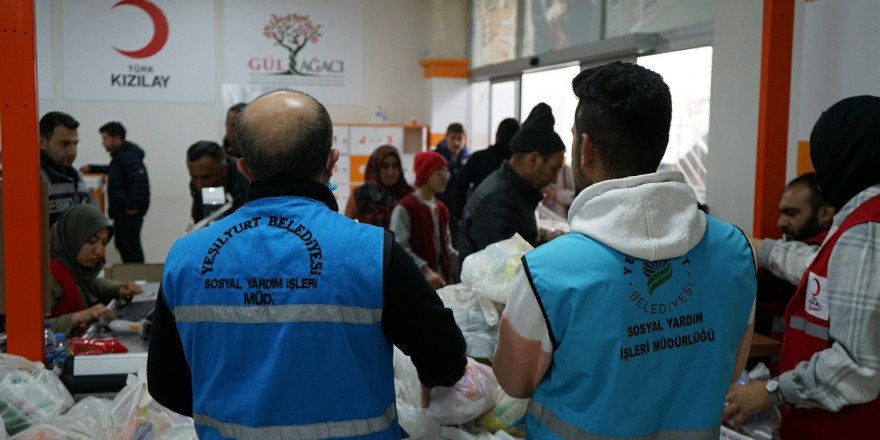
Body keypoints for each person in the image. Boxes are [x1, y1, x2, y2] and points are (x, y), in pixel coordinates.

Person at [147, 90, 467, 439]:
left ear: (244, 168)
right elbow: (446, 360)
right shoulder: (374, 252)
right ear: (332, 162)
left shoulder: (186, 257)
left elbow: (166, 385)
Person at [493, 62, 756, 439]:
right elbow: (729, 369)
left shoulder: (548, 270)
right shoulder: (735, 252)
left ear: (585, 148)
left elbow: (515, 382)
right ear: (661, 142)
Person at [724, 96, 880, 439]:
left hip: (844, 427)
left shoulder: (867, 228)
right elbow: (822, 270)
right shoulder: (861, 218)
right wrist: (759, 247)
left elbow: (858, 366)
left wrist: (771, 391)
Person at [458, 103, 565, 265]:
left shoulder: (516, 191)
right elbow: (505, 268)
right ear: (533, 160)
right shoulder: (499, 199)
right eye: (554, 169)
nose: (554, 179)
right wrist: (554, 247)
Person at [755, 172, 833, 341]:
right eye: (782, 213)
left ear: (825, 213)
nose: (781, 222)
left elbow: (763, 282)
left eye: (791, 213)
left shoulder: (823, 252)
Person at [46, 205, 142, 336]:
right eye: (92, 241)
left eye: (103, 242)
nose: (99, 251)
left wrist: (119, 289)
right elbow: (30, 330)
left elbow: (92, 283)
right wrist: (79, 317)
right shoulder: (47, 277)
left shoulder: (75, 266)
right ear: (72, 237)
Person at [82, 122, 150, 263]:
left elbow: (140, 182)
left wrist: (131, 206)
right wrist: (93, 168)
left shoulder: (129, 156)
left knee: (131, 247)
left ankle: (138, 278)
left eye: (105, 138)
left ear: (117, 138)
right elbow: (115, 171)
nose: (103, 143)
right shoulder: (121, 157)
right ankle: (132, 277)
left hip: (128, 212)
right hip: (122, 211)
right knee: (123, 245)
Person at [389, 151, 455, 289]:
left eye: (446, 172)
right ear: (426, 172)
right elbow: (399, 248)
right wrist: (424, 270)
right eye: (439, 172)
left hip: (440, 284)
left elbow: (447, 247)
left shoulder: (442, 209)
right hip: (414, 284)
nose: (445, 178)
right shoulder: (405, 208)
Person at [452, 118, 520, 220]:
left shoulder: (478, 157)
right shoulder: (518, 163)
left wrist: (459, 214)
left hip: (479, 215)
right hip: (510, 218)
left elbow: (460, 184)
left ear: (497, 135)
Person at [39, 111, 91, 226]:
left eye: (75, 144)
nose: (73, 152)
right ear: (42, 143)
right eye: (64, 144)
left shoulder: (77, 178)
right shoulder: (34, 180)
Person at [344, 144, 413, 228]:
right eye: (385, 166)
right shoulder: (360, 196)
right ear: (375, 168)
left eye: (395, 166)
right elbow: (348, 229)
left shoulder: (409, 193)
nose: (390, 172)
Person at [186, 140, 249, 223]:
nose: (199, 185)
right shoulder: (201, 181)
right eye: (193, 177)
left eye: (206, 177)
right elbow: (204, 221)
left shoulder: (250, 179)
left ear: (224, 170)